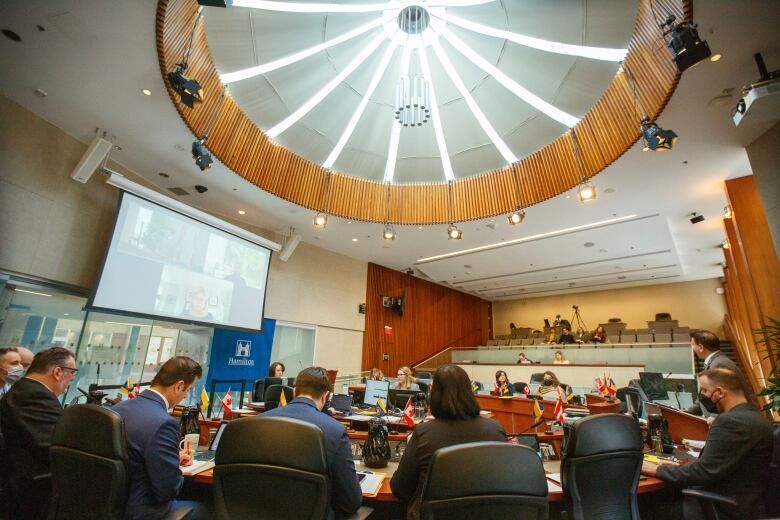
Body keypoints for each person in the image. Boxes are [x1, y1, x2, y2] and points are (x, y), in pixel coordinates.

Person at [642, 368, 773, 520]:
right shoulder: (757, 418)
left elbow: (703, 472)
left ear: (719, 393)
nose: (702, 396)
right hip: (744, 504)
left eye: (704, 390)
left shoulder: (731, 422)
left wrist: (658, 469)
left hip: (721, 509)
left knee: (642, 505)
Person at [391, 364, 506, 519]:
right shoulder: (496, 431)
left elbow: (400, 488)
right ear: (469, 393)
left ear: (434, 395)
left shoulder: (424, 433)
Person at [112, 356, 205, 520]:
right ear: (179, 386)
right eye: (189, 389)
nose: (186, 396)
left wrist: (170, 458)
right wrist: (174, 467)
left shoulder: (118, 409)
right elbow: (168, 490)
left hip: (112, 505)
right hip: (144, 512)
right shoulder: (164, 423)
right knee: (209, 506)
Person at [263, 367, 362, 518]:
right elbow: (351, 502)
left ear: (294, 392)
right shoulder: (335, 431)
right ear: (325, 396)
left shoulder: (257, 422)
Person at [0, 347, 76, 519]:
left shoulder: (24, 390)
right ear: (57, 372)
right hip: (31, 496)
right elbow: (54, 447)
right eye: (72, 372)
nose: (72, 378)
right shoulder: (35, 395)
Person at [686, 331, 741, 418]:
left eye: (692, 345)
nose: (692, 348)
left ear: (700, 347)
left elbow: (727, 399)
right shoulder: (715, 362)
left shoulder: (719, 364)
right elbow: (705, 394)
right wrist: (688, 411)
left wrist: (718, 419)